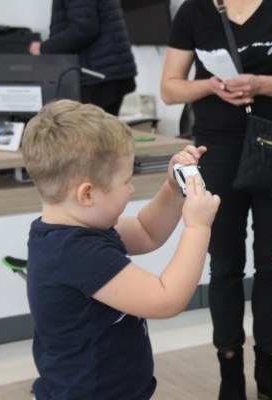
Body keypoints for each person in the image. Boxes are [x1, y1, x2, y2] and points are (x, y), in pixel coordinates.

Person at [160, 1, 272, 399]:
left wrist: (259, 84)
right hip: (217, 148)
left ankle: (269, 371)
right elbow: (170, 88)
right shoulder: (194, 11)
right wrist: (210, 86)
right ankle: (230, 372)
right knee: (225, 265)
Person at [21, 99, 220, 399]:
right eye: (126, 181)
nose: (131, 189)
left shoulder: (70, 232)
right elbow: (166, 299)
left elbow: (146, 230)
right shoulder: (78, 253)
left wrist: (173, 187)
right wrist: (198, 227)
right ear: (87, 194)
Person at [29, 0, 137, 116]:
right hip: (106, 72)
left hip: (96, 77)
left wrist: (44, 48)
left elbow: (83, 29)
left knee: (88, 127)